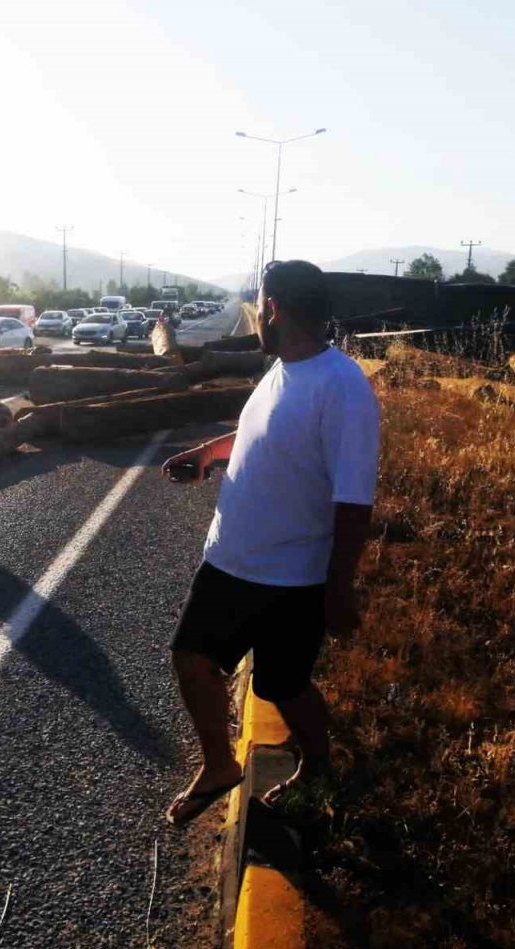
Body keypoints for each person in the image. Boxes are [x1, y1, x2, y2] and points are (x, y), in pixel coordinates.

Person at [160, 259, 380, 826]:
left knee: (284, 685)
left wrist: (339, 588)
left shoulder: (343, 386)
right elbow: (258, 432)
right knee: (191, 658)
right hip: (230, 561)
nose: (257, 313)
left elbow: (354, 500)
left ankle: (318, 765)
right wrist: (208, 455)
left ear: (275, 308)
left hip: (291, 579)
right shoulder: (282, 370)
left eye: (260, 303)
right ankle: (219, 765)